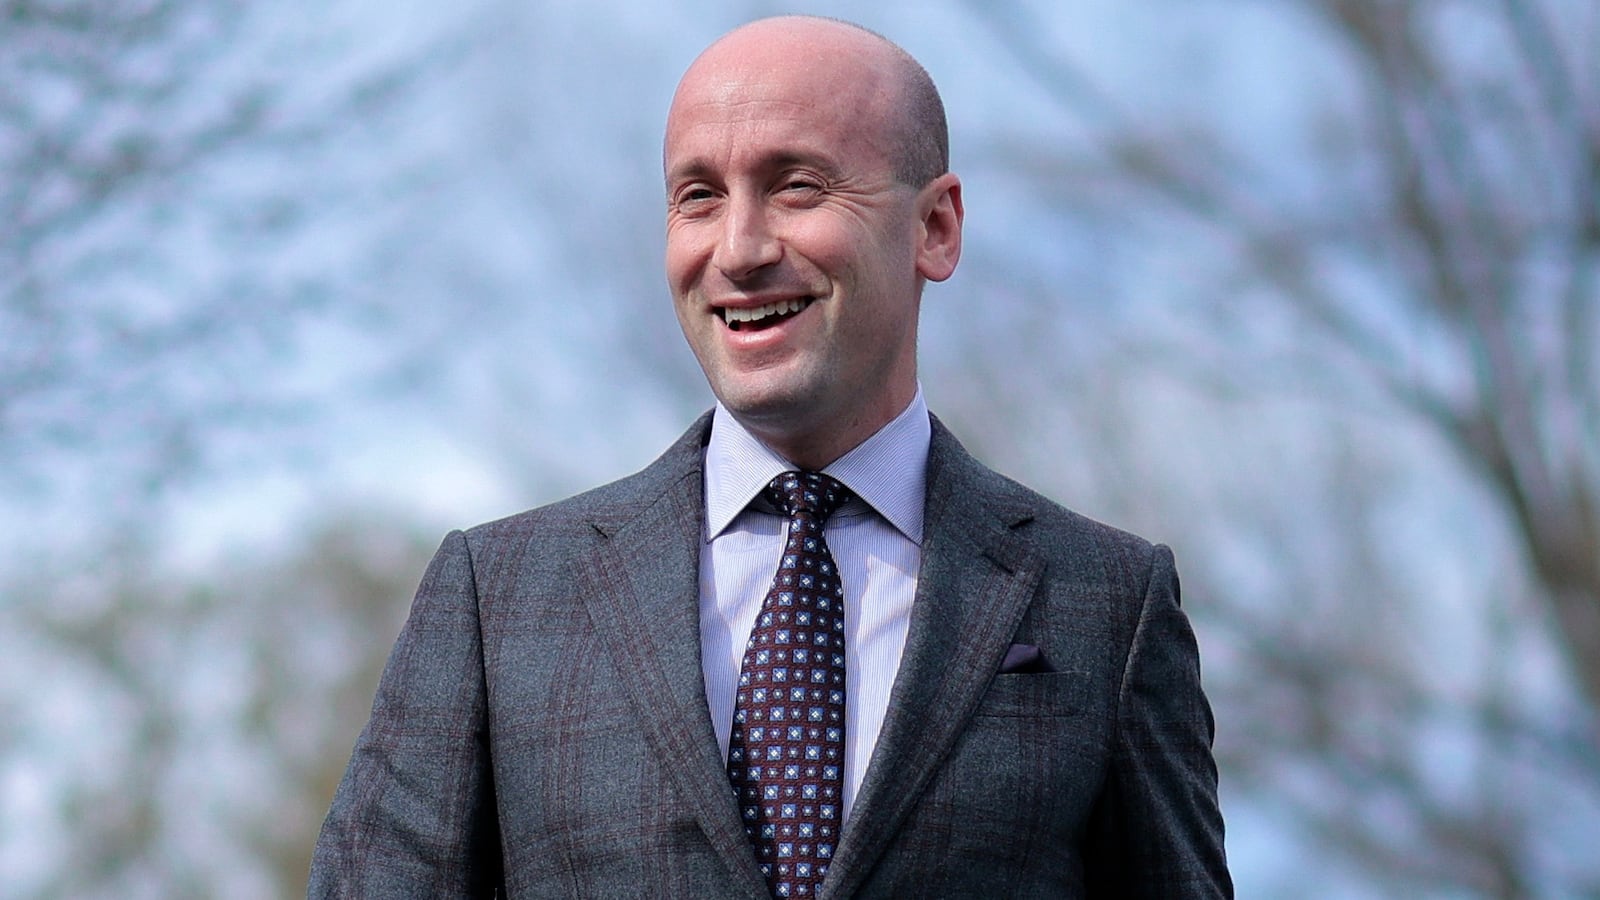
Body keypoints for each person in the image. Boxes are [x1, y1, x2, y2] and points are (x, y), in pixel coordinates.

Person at [310, 15, 1231, 899]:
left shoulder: (1107, 605)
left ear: (936, 228)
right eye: (699, 197)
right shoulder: (499, 599)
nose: (740, 249)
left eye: (797, 187)